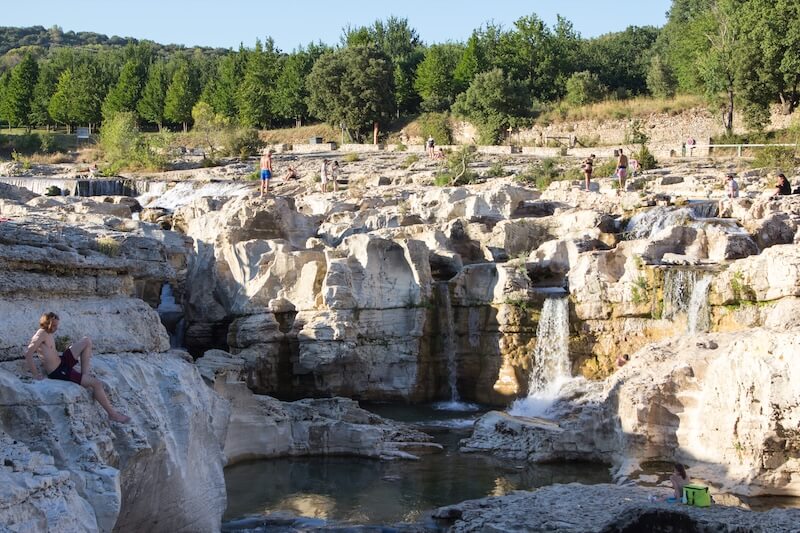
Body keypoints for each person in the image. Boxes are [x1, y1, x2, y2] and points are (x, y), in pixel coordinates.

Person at [23, 312, 130, 423]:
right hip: (59, 371)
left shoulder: (48, 332)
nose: (56, 328)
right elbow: (28, 353)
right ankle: (113, 415)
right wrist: (35, 374)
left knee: (86, 341)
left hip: (62, 361)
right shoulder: (40, 334)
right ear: (47, 323)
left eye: (57, 325)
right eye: (54, 325)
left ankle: (85, 376)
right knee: (97, 384)